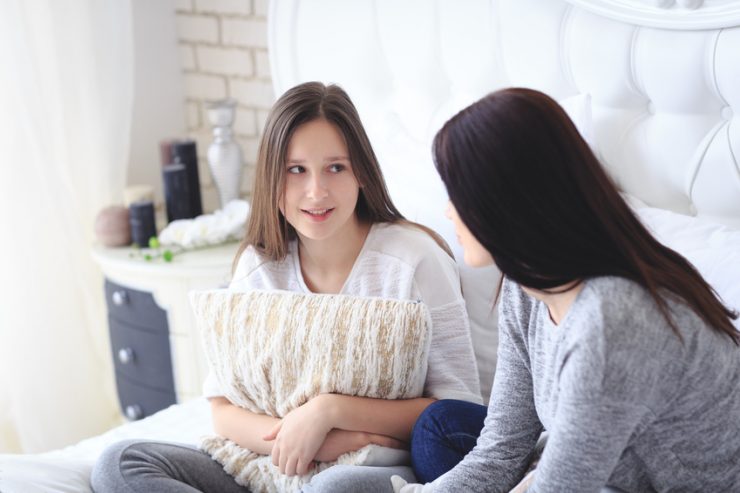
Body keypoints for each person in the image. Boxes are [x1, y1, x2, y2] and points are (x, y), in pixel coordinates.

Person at [90, 81, 482, 493]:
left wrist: (329, 411)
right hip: (267, 463)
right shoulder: (257, 266)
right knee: (120, 464)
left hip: (369, 467)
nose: (316, 192)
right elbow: (222, 409)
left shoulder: (414, 260)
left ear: (362, 173)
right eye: (296, 170)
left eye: (336, 167)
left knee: (333, 489)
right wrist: (310, 440)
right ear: (272, 179)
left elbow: (457, 409)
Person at [393, 88, 740, 492]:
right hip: (593, 474)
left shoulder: (612, 319)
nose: (449, 210)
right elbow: (500, 452)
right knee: (398, 452)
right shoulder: (525, 287)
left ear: (504, 198)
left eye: (458, 192)